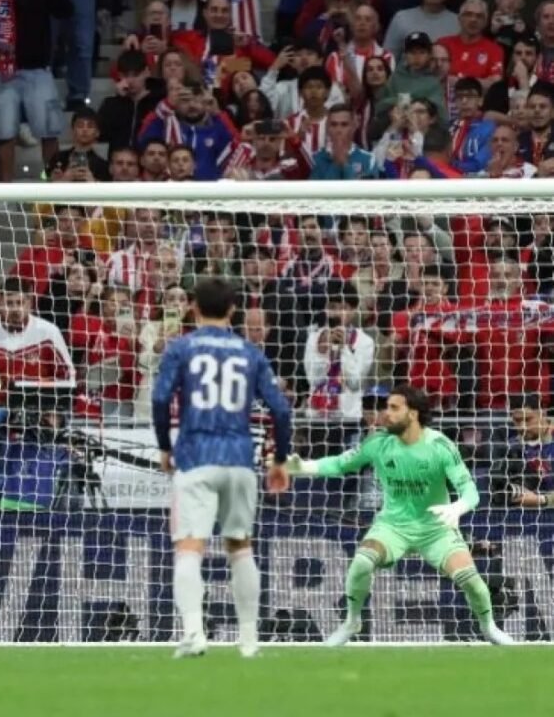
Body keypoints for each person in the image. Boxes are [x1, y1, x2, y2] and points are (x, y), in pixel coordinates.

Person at [279, 384, 514, 647]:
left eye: (393, 408)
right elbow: (339, 464)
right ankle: (351, 622)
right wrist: (300, 466)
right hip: (392, 527)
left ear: (412, 414)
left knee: (472, 582)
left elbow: (470, 490)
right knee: (362, 562)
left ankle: (489, 627)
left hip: (435, 530)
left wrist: (457, 507)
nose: (385, 414)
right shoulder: (377, 443)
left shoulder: (440, 445)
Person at [151, 276, 292, 658]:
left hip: (196, 457)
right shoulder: (250, 353)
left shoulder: (181, 349)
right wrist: (279, 459)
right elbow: (280, 408)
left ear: (193, 307)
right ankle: (248, 642)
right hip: (240, 459)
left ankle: (195, 634)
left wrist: (165, 446)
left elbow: (161, 399)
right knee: (241, 547)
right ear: (233, 311)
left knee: (189, 548)